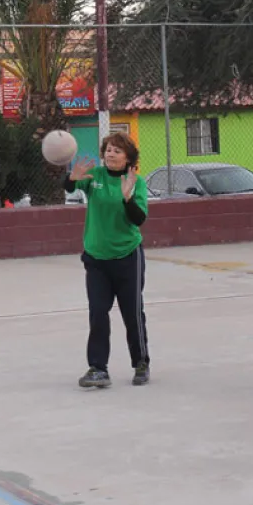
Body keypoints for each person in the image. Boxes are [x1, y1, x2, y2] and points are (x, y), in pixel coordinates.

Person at [65, 132, 151, 388]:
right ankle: (98, 368)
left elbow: (138, 219)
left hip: (127, 256)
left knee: (132, 313)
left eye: (117, 150)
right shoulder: (96, 177)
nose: (111, 154)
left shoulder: (137, 182)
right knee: (98, 313)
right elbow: (69, 187)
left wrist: (127, 198)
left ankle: (141, 363)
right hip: (96, 258)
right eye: (108, 149)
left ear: (128, 158)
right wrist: (71, 178)